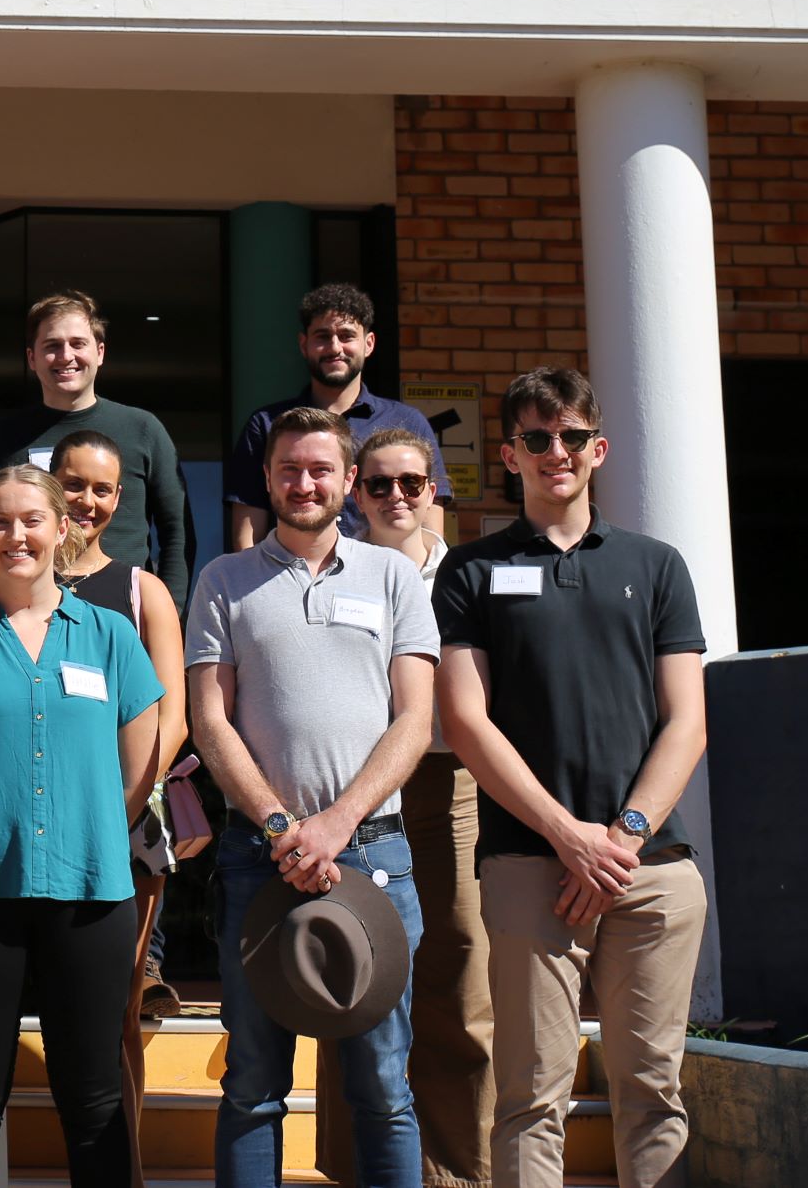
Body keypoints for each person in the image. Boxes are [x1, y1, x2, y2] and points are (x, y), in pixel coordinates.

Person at [434, 368, 710, 1188]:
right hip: (529, 864)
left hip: (650, 868)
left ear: (599, 449)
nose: (555, 452)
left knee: (655, 1091)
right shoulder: (471, 571)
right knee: (530, 1095)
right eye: (534, 437)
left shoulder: (657, 566)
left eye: (569, 436)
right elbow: (466, 722)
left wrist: (618, 838)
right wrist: (567, 836)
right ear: (511, 454)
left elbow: (687, 720)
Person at [187, 406, 438, 1188]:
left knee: (383, 1088)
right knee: (254, 1085)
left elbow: (416, 718)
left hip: (375, 856)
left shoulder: (392, 576)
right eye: (289, 468)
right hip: (259, 856)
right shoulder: (223, 579)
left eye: (320, 469)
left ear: (349, 482)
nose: (304, 482)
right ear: (267, 478)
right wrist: (281, 824)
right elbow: (209, 717)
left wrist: (335, 823)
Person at [0, 465, 165, 1188]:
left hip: (90, 893)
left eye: (30, 519)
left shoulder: (109, 635)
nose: (16, 534)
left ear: (61, 527)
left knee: (93, 1097)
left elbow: (138, 773)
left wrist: (94, 837)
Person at [47, 431, 189, 1186]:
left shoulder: (142, 590)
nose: (88, 501)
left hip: (121, 834)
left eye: (103, 489)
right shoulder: (9, 583)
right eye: (75, 483)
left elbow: (173, 717)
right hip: (31, 832)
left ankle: (122, 1171)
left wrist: (120, 807)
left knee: (116, 1015)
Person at [352, 427, 490, 1188]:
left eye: (411, 482)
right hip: (362, 788)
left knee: (460, 960)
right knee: (363, 973)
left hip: (447, 780)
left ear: (433, 489)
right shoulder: (337, 569)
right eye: (379, 483)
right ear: (356, 491)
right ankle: (360, 1166)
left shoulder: (467, 573)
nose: (396, 497)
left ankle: (463, 1169)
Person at [0, 290, 191, 606]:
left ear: (100, 352)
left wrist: (169, 609)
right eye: (52, 346)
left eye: (78, 344)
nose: (66, 356)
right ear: (32, 358)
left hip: (124, 605)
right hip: (23, 610)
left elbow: (177, 533)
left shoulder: (143, 429)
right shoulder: (1, 438)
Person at [224, 284, 447, 550]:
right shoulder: (267, 425)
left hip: (383, 585)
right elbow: (247, 535)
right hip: (290, 579)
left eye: (346, 335)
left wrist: (427, 583)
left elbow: (430, 524)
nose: (334, 347)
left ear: (369, 344)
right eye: (322, 336)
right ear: (304, 344)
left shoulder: (407, 422)